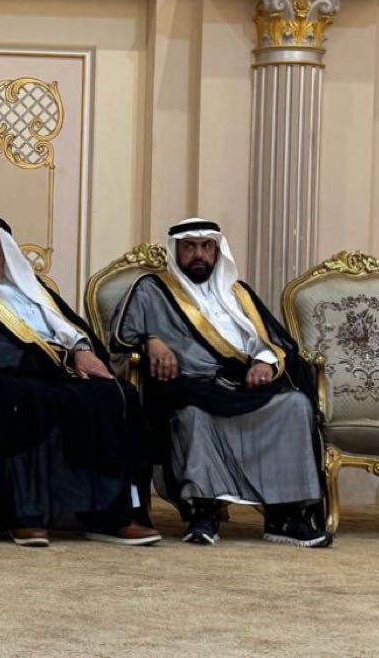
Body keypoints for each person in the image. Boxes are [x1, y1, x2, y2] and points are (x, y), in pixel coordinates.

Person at [0, 213, 159, 548]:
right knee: (24, 398)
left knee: (117, 394)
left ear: (6, 248)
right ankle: (24, 515)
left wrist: (81, 349)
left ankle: (114, 516)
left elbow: (72, 325)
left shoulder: (34, 287)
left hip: (56, 372)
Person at [111, 218, 330, 547]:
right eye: (190, 247)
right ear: (176, 250)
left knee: (295, 404)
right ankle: (204, 512)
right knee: (192, 412)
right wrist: (150, 339)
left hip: (240, 385)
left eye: (206, 246)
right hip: (187, 385)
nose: (199, 254)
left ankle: (285, 516)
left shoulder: (238, 293)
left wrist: (264, 361)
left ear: (217, 250)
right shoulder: (152, 289)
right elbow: (120, 337)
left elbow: (274, 341)